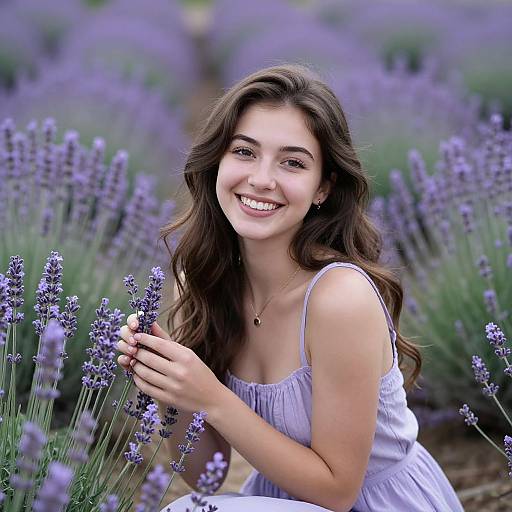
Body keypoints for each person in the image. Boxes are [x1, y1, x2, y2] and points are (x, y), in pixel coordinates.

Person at [116, 64, 463, 511]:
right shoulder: (203, 282)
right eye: (244, 152)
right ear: (217, 160)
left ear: (323, 187)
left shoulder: (339, 299)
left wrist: (211, 396)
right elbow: (206, 473)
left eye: (292, 162)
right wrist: (171, 389)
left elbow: (338, 492)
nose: (261, 179)